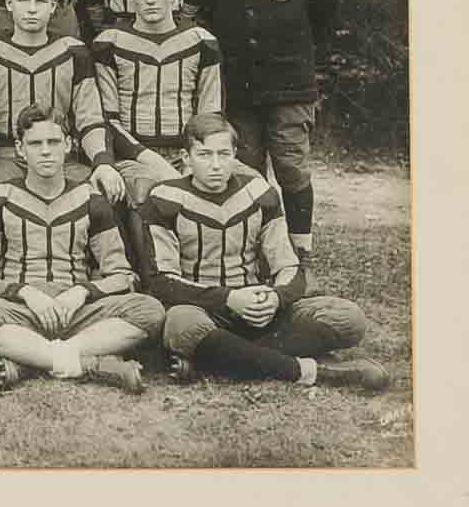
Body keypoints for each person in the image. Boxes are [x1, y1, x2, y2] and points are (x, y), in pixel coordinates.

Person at [143, 112, 387, 390]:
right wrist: (229, 298)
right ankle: (311, 371)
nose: (215, 165)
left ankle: (221, 358)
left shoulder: (259, 192)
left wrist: (275, 297)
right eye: (204, 155)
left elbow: (289, 267)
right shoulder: (164, 198)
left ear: (235, 154)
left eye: (223, 154)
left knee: (349, 318)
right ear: (185, 158)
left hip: (257, 310)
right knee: (181, 326)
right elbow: (161, 280)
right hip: (203, 310)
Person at [0, 105, 164, 392]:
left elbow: (122, 276)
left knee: (150, 310)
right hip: (22, 310)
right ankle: (87, 362)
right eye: (35, 143)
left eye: (53, 142)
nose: (45, 151)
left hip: (78, 310)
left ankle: (32, 359)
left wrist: (80, 293)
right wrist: (24, 292)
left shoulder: (92, 199)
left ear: (68, 145)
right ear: (20, 148)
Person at [197, 0, 341, 256]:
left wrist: (295, 39)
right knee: (245, 164)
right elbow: (204, 1)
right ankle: (253, 246)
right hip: (236, 75)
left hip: (288, 74)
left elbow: (327, 0)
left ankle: (300, 247)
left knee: (292, 163)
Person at [0, 0, 124, 207]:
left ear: (54, 5)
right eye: (24, 1)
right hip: (5, 159)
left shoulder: (73, 52)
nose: (32, 10)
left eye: (41, 2)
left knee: (105, 194)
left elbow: (91, 117)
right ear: (9, 3)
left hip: (60, 158)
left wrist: (104, 163)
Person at [93, 0, 223, 207]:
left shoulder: (201, 42)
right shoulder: (108, 43)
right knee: (150, 192)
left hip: (189, 153)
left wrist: (196, 162)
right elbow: (109, 122)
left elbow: (210, 117)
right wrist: (155, 163)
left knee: (249, 185)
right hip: (134, 157)